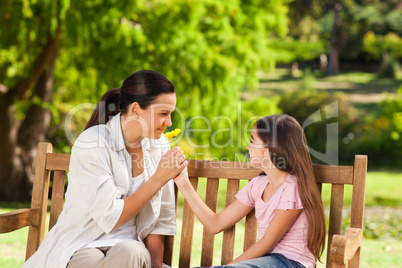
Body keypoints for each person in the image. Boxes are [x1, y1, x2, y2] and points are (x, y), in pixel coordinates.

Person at [23, 70, 187, 268]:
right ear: (135, 109)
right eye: (163, 114)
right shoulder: (92, 142)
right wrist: (158, 178)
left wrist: (157, 266)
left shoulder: (159, 146)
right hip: (80, 244)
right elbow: (112, 217)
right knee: (92, 261)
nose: (169, 123)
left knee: (129, 252)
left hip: (131, 251)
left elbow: (161, 220)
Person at [174, 114, 326, 268]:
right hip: (266, 261)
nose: (248, 147)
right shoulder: (258, 185)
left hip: (291, 263)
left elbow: (268, 242)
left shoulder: (293, 188)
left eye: (252, 141)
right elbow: (215, 224)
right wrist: (183, 183)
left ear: (269, 149)